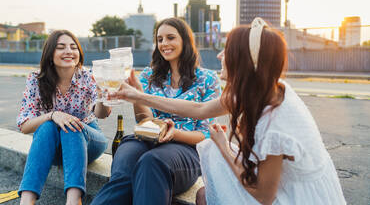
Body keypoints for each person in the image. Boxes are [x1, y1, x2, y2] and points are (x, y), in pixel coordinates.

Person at [109, 18, 346, 205]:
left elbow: (264, 196)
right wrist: (137, 95)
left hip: (294, 196)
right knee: (202, 194)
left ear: (244, 61)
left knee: (199, 184)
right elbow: (199, 109)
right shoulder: (257, 87)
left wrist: (223, 145)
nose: (220, 56)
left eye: (227, 51)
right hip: (269, 185)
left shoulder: (278, 122)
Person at [91, 17, 221, 205]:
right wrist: (138, 95)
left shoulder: (208, 79)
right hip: (147, 139)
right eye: (160, 39)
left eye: (170, 38)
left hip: (187, 149)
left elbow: (206, 134)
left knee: (152, 161)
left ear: (185, 40)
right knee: (126, 159)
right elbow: (145, 120)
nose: (164, 44)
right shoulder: (148, 75)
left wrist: (174, 133)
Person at [17, 30, 111, 205]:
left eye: (73, 47)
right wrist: (53, 115)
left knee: (71, 127)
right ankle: (26, 201)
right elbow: (24, 126)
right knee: (47, 125)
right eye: (61, 47)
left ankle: (74, 200)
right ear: (50, 54)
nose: (69, 51)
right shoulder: (36, 80)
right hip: (52, 148)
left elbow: (102, 114)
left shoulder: (89, 76)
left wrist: (101, 95)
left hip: (88, 141)